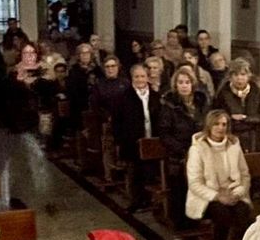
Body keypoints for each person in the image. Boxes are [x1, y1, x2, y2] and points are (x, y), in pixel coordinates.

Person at [187, 110, 253, 240]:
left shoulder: (233, 144)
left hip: (233, 193)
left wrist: (238, 192)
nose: (220, 128)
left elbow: (244, 174)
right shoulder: (197, 148)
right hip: (208, 197)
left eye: (224, 124)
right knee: (222, 215)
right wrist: (218, 196)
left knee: (245, 214)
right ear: (209, 125)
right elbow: (195, 183)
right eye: (216, 124)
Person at [158, 68, 208, 229]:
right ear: (175, 85)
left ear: (192, 84)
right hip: (179, 155)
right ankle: (183, 223)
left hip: (201, 151)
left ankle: (203, 216)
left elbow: (208, 125)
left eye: (187, 82)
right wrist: (183, 150)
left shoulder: (202, 102)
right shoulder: (169, 105)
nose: (184, 86)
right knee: (181, 184)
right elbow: (164, 134)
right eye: (180, 83)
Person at [115, 63, 162, 212]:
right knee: (134, 172)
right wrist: (121, 140)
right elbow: (118, 121)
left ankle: (149, 201)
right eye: (137, 76)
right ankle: (136, 201)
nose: (140, 79)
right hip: (132, 141)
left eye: (143, 76)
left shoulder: (156, 96)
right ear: (131, 78)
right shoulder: (124, 97)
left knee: (150, 171)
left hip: (151, 139)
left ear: (147, 77)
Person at [212, 57, 260, 151]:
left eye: (243, 74)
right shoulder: (222, 94)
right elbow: (216, 116)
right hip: (231, 140)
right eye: (236, 74)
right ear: (230, 76)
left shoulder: (257, 92)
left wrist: (245, 119)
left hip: (255, 140)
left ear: (248, 76)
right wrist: (230, 118)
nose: (239, 78)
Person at [89, 55, 129, 121]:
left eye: (113, 66)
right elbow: (94, 105)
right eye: (107, 66)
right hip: (106, 120)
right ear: (104, 69)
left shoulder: (126, 83)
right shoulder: (98, 85)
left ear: (118, 67)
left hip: (125, 118)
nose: (110, 69)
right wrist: (107, 116)